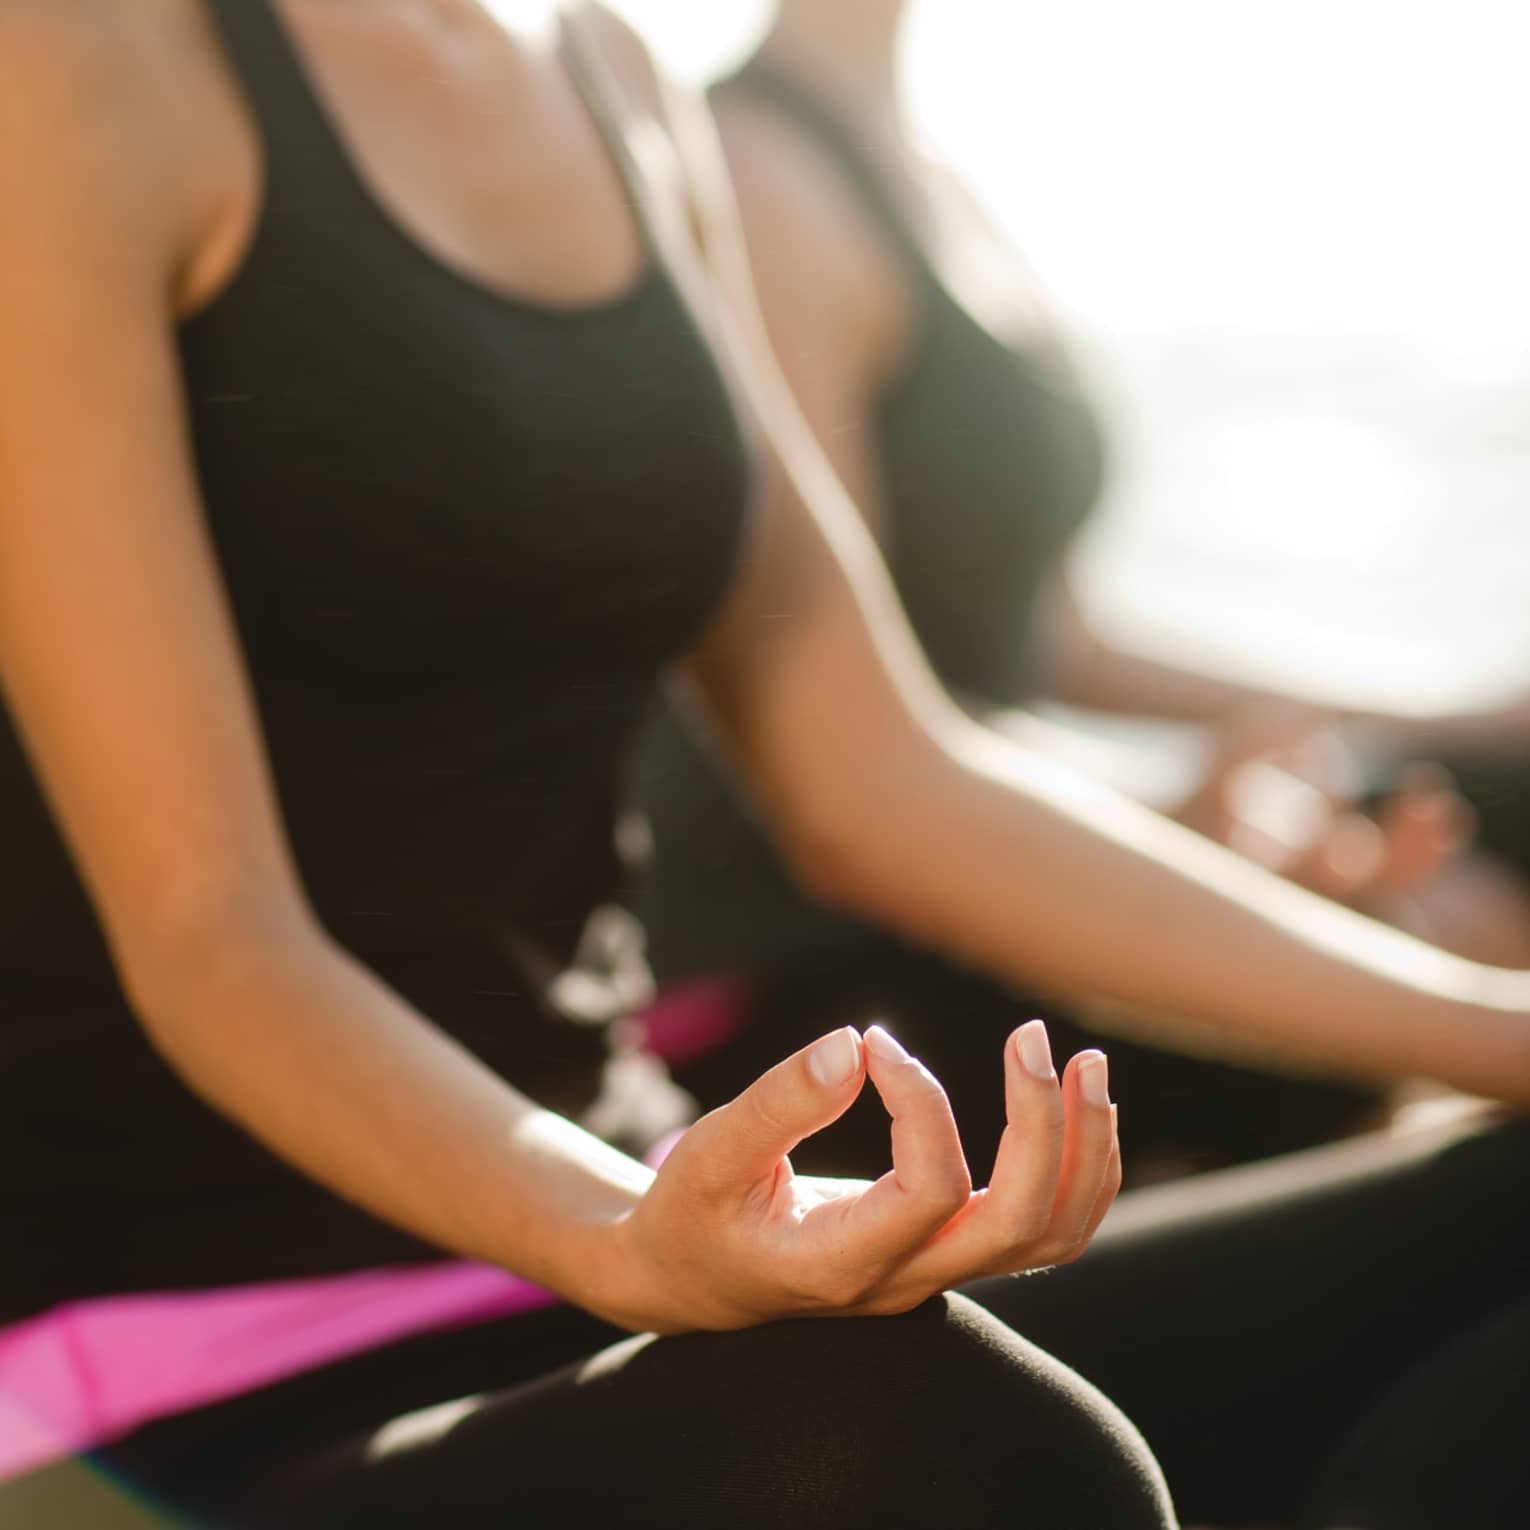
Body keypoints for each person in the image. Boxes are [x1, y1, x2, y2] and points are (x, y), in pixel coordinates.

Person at [1, 1, 1529, 1526]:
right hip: (204, 1365)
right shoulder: (81, 62)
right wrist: (626, 1235)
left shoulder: (608, 74)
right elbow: (211, 933)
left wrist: (1487, 1025)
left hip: (604, 1241)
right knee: (955, 1442)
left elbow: (882, 773)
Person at [633, 0, 1530, 1179]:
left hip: (991, 829)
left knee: (1495, 790)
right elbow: (850, 765)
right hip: (842, 974)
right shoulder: (753, 176)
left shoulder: (928, 171)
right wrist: (1167, 827)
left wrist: (1420, 722)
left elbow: (1054, 640)